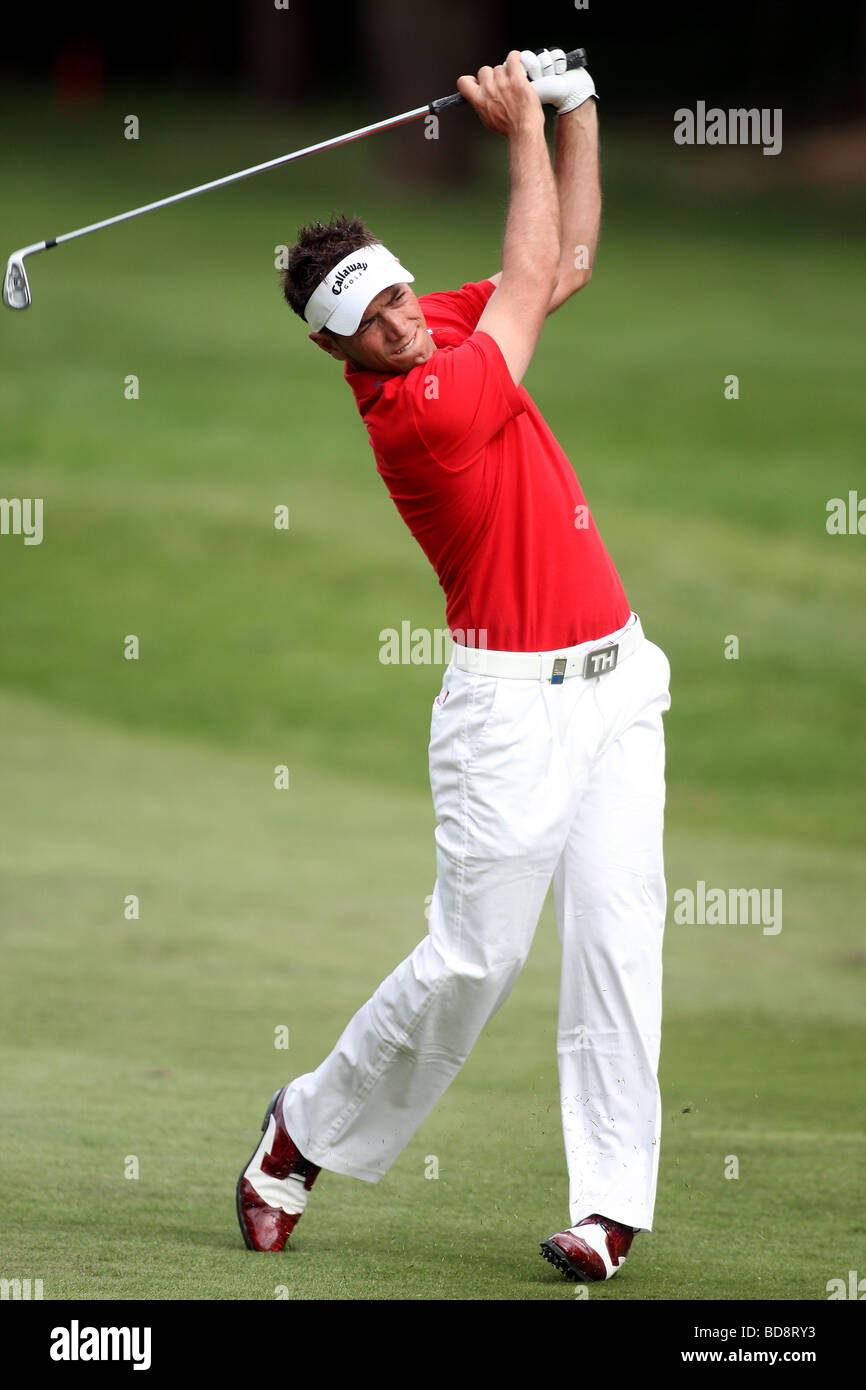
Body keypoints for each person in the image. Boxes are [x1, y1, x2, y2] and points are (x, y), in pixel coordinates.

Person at [236, 47, 671, 1284]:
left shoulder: (435, 323)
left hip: (617, 677)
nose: (397, 324)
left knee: (617, 940)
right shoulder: (419, 414)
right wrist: (518, 129)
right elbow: (530, 275)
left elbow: (565, 262)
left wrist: (577, 107)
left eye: (395, 299)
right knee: (474, 960)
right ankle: (298, 1132)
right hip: (506, 714)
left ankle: (605, 1210)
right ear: (340, 357)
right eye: (369, 326)